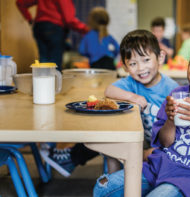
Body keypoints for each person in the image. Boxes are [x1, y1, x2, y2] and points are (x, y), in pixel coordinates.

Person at [93, 35, 190, 197]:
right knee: (103, 187)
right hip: (158, 167)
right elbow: (165, 142)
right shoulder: (178, 94)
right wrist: (171, 120)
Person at [39, 29, 179, 176]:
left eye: (146, 60)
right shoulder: (132, 83)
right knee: (106, 128)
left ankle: (72, 159)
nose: (141, 68)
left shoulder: (172, 89)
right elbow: (110, 90)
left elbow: (181, 131)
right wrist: (134, 97)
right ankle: (105, 177)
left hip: (163, 147)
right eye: (133, 63)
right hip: (139, 141)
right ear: (124, 66)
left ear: (160, 57)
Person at [16, 0, 88, 71]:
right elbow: (69, 20)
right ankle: (53, 81)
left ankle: (42, 81)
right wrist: (86, 29)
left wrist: (29, 19)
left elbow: (20, 3)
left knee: (44, 60)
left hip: (40, 26)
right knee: (54, 62)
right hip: (55, 28)